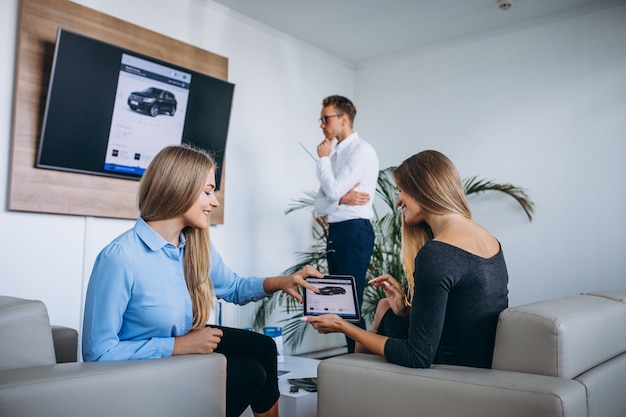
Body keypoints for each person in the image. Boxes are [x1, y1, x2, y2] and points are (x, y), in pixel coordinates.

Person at [82, 144, 323, 417]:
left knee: (264, 348)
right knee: (248, 374)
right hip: (141, 372)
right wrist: (176, 346)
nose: (215, 201)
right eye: (208, 191)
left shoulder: (195, 246)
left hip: (180, 350)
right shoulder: (121, 258)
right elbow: (98, 353)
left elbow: (233, 288)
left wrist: (280, 282)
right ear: (179, 188)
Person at [304, 150, 509, 369]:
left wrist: (343, 326)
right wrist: (405, 310)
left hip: (454, 369)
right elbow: (462, 314)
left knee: (382, 311)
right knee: (386, 306)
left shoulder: (438, 253)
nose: (398, 201)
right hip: (478, 360)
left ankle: (353, 384)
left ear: (422, 190)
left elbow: (417, 356)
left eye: (401, 191)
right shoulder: (488, 238)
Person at [313, 95, 380, 353]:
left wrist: (323, 161)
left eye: (325, 118)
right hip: (338, 231)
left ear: (344, 119)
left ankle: (359, 363)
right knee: (340, 305)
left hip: (355, 230)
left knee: (350, 305)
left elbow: (331, 191)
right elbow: (320, 205)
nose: (322, 125)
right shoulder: (338, 154)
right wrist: (341, 197)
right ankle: (351, 361)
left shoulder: (361, 150)